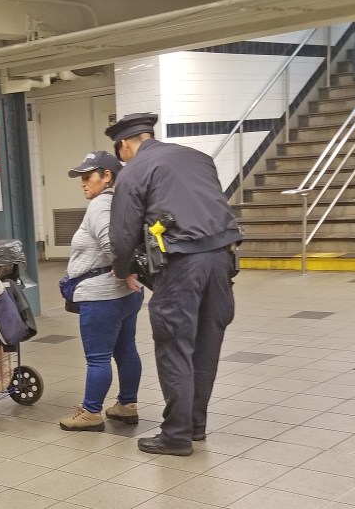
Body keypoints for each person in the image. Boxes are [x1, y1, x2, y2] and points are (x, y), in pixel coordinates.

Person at [108, 113, 242, 456]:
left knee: (174, 346)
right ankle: (195, 425)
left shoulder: (134, 171)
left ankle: (176, 435)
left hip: (182, 266)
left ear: (125, 144)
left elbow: (124, 233)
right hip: (223, 261)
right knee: (205, 346)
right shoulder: (198, 158)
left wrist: (124, 269)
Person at [59, 151, 144, 432]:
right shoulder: (125, 201)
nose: (83, 183)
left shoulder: (99, 205)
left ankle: (91, 412)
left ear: (107, 176)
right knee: (126, 349)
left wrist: (124, 272)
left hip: (102, 294)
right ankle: (126, 405)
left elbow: (113, 244)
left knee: (97, 357)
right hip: (127, 295)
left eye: (88, 177)